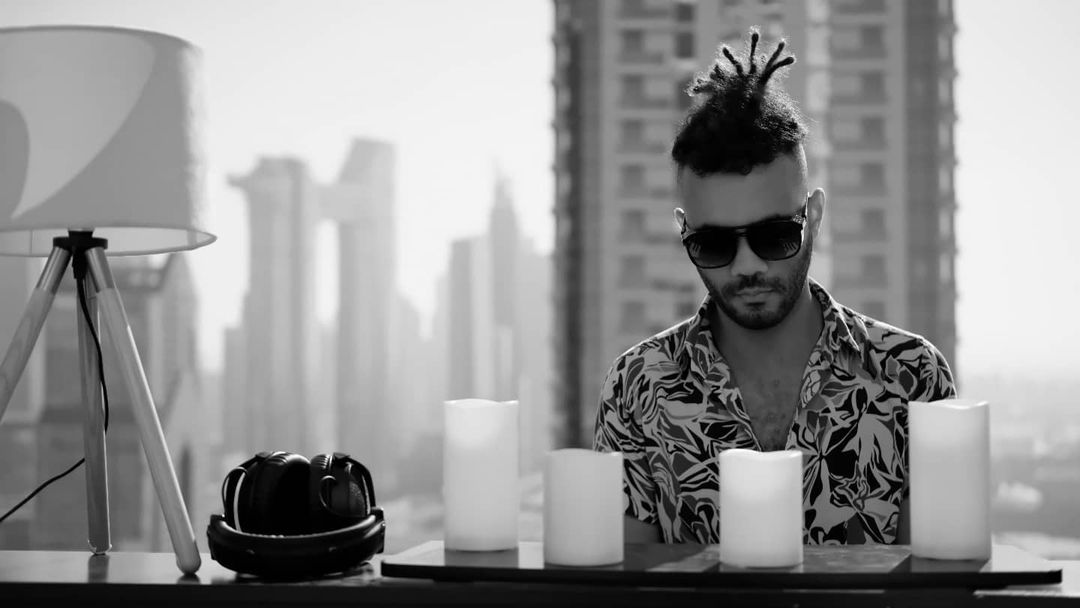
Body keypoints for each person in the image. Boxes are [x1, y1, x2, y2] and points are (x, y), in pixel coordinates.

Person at [592, 30, 956, 546]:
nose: (747, 266)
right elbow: (627, 581)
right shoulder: (637, 387)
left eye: (774, 236)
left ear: (814, 216)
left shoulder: (911, 377)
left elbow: (935, 579)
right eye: (714, 244)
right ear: (684, 233)